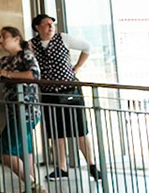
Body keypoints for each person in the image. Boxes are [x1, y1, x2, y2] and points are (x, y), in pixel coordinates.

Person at [31, 14, 101, 182]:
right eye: (46, 24)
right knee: (56, 132)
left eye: (52, 24)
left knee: (80, 130)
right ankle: (61, 167)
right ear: (37, 28)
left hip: (70, 91)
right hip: (48, 93)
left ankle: (92, 165)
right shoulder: (31, 45)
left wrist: (76, 68)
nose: (51, 27)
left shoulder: (63, 39)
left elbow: (87, 47)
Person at [0, 26, 46, 193]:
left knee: (6, 151)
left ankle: (33, 184)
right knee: (23, 151)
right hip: (13, 111)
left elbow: (34, 74)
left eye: (5, 36)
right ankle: (32, 190)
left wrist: (9, 75)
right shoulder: (5, 60)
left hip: (25, 110)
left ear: (16, 38)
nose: (1, 39)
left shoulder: (25, 55)